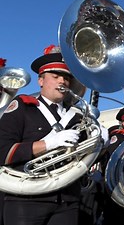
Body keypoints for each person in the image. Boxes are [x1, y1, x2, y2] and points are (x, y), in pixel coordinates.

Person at [0, 45, 89, 225]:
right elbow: (2, 150)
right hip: (26, 200)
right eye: (55, 77)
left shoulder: (78, 117)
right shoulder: (23, 107)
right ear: (41, 81)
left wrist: (98, 143)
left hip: (67, 199)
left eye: (66, 78)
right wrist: (47, 144)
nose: (62, 82)